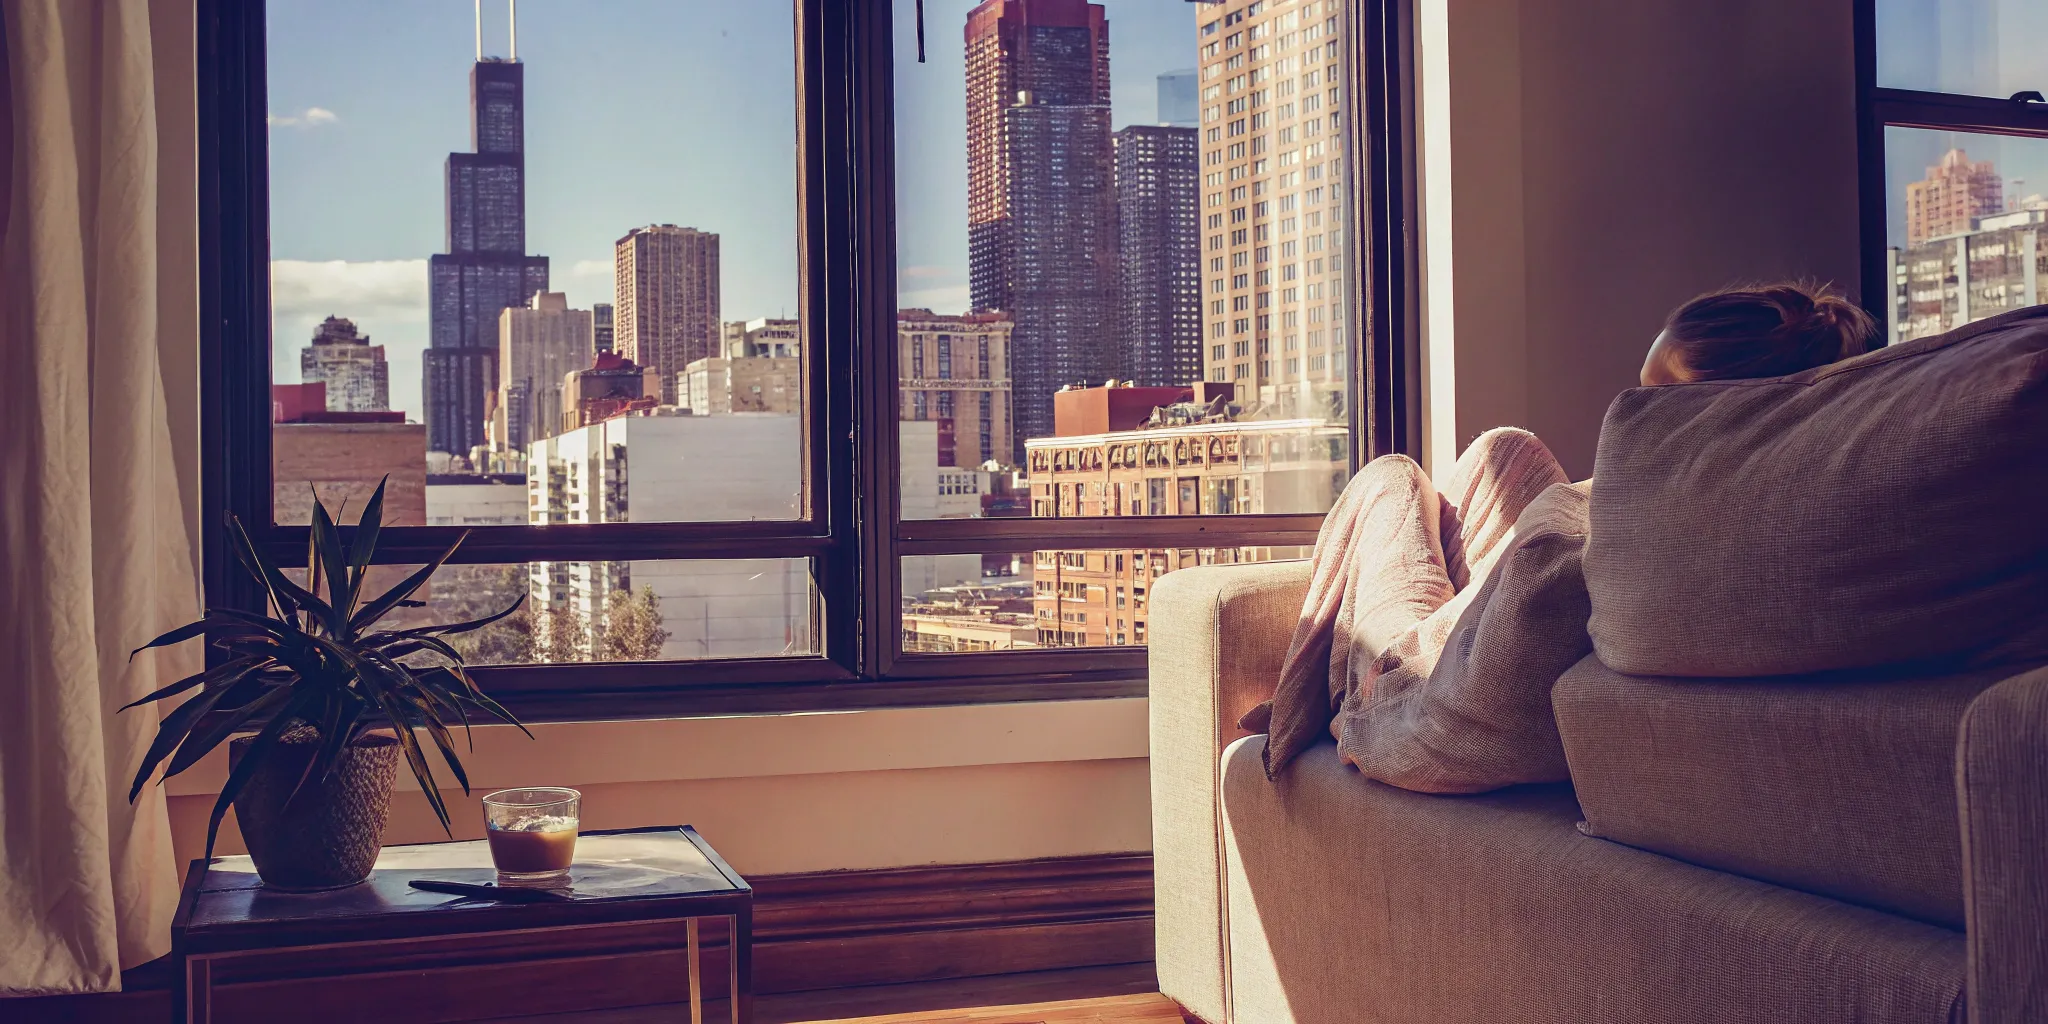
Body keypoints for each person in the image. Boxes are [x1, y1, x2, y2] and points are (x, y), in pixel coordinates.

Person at [1254, 282, 1881, 778]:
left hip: (1401, 692)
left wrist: (1376, 710)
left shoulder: (1641, 529)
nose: (1626, 413)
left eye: (1659, 395)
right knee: (1507, 451)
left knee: (1390, 478)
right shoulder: (1755, 504)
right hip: (1454, 645)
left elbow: (1465, 693)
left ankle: (1304, 712)